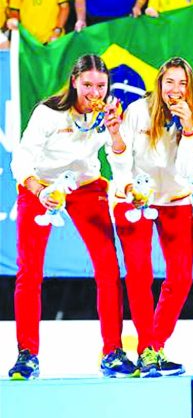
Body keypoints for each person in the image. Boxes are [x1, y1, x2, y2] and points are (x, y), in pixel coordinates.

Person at [8, 55, 136, 380]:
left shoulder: (108, 114)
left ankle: (112, 352)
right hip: (41, 186)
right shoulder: (49, 113)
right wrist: (40, 192)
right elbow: (21, 161)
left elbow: (119, 164)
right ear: (75, 81)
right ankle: (27, 354)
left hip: (85, 186)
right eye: (88, 84)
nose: (94, 92)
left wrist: (117, 134)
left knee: (108, 267)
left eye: (101, 86)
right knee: (30, 271)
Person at [108, 58, 193, 377]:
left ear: (190, 89)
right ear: (159, 83)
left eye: (182, 84)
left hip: (175, 200)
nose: (175, 90)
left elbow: (190, 171)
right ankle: (147, 347)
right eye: (169, 82)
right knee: (139, 274)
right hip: (135, 197)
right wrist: (128, 188)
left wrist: (189, 130)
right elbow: (117, 153)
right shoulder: (138, 111)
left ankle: (155, 345)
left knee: (182, 276)